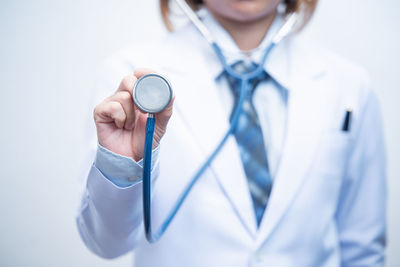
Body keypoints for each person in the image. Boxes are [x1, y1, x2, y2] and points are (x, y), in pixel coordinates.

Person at [77, 0, 387, 266]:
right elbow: (107, 244)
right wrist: (121, 166)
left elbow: (364, 250)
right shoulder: (131, 78)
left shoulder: (348, 85)